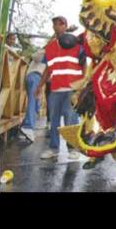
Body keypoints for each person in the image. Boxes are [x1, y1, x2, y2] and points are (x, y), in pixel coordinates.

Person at [35, 16, 86, 160]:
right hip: (55, 90)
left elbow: (84, 65)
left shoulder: (77, 45)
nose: (57, 27)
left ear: (66, 26)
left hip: (72, 89)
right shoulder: (50, 47)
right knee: (54, 120)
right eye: (55, 24)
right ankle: (53, 148)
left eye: (61, 24)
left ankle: (73, 150)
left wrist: (82, 86)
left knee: (71, 119)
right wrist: (39, 86)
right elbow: (48, 69)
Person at [19, 47, 46, 143]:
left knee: (36, 103)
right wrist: (46, 48)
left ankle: (26, 125)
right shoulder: (45, 51)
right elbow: (35, 57)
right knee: (33, 101)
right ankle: (28, 127)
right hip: (34, 76)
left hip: (39, 79)